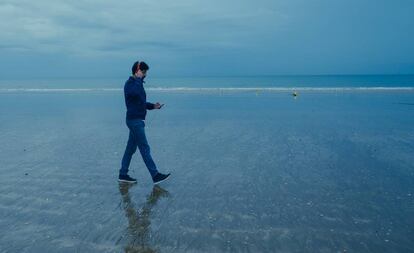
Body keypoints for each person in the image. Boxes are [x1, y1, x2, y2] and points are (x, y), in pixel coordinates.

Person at [119, 61, 170, 184]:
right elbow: (134, 93)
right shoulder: (130, 84)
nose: (145, 74)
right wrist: (138, 79)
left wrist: (154, 106)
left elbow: (141, 103)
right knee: (144, 147)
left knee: (130, 149)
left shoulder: (138, 83)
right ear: (136, 71)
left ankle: (123, 174)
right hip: (134, 121)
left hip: (137, 120)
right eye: (143, 71)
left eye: (146, 72)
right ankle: (155, 175)